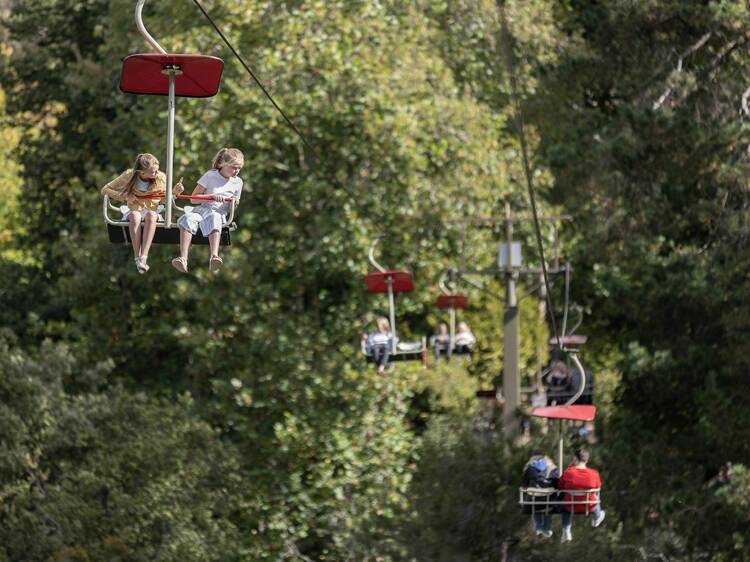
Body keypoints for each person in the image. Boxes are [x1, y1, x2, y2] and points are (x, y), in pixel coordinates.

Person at [101, 153, 184, 273]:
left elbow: (163, 200)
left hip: (152, 211)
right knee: (135, 215)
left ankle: (144, 257)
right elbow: (105, 190)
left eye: (157, 170)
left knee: (151, 215)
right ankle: (137, 256)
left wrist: (175, 192)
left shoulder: (161, 177)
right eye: (153, 171)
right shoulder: (129, 175)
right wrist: (124, 196)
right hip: (134, 210)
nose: (156, 173)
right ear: (141, 173)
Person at [172, 148, 244, 273]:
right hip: (202, 209)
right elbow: (193, 199)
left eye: (239, 168)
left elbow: (235, 204)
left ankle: (214, 256)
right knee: (189, 218)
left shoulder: (238, 182)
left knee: (214, 217)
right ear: (222, 164)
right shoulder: (210, 175)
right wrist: (210, 197)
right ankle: (183, 257)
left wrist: (233, 202)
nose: (236, 171)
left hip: (218, 213)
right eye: (233, 167)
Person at [558, 448, 605, 543]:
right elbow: (598, 487)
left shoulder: (568, 472)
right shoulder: (594, 474)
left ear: (575, 459)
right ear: (586, 460)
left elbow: (560, 486)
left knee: (564, 506)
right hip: (589, 506)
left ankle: (566, 530)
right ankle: (596, 517)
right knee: (595, 498)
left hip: (570, 506)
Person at [521, 450, 559, 538]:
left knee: (535, 504)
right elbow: (556, 482)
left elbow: (524, 483)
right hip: (548, 495)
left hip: (534, 495)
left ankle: (539, 528)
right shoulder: (552, 467)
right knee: (548, 506)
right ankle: (547, 528)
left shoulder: (529, 467)